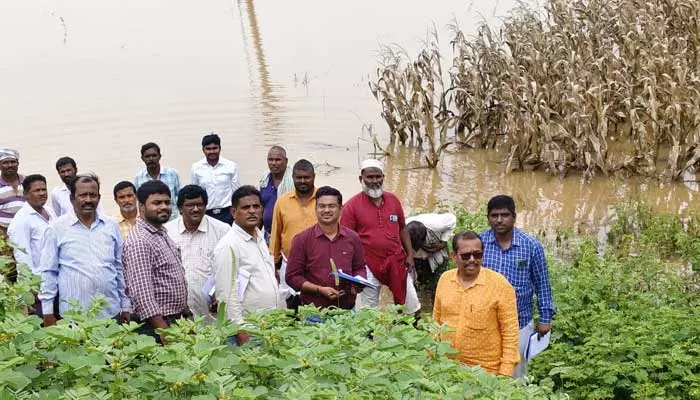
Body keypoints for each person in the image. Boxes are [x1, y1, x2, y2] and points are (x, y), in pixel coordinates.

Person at [38, 174, 131, 325]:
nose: (88, 200)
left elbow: (119, 267)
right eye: (82, 195)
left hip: (110, 314)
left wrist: (125, 305)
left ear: (99, 198)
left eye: (92, 195)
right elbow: (48, 271)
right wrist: (47, 312)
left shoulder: (111, 226)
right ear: (72, 198)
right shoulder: (56, 228)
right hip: (74, 317)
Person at [480, 195, 555, 378]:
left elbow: (542, 283)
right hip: (485, 320)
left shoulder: (531, 246)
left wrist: (545, 318)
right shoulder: (479, 243)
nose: (499, 220)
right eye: (494, 215)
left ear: (514, 216)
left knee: (515, 371)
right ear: (488, 218)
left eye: (504, 215)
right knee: (485, 370)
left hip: (519, 321)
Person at [432, 231, 520, 376]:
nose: (472, 259)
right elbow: (436, 323)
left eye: (477, 254)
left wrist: (505, 373)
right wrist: (430, 358)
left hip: (486, 373)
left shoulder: (500, 285)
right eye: (466, 255)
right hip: (446, 369)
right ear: (454, 256)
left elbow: (510, 333)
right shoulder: (445, 280)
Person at [341, 159, 420, 315]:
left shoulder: (393, 200)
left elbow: (403, 229)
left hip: (396, 260)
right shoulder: (351, 206)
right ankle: (368, 339)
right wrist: (352, 273)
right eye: (370, 177)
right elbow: (346, 241)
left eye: (378, 177)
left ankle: (410, 336)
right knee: (368, 312)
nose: (374, 181)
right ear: (361, 179)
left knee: (411, 305)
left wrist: (410, 255)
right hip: (367, 264)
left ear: (383, 177)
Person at [123, 180, 191, 343]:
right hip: (156, 326)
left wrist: (185, 311)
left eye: (167, 202)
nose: (164, 207)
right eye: (156, 203)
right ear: (142, 207)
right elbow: (142, 294)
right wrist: (163, 332)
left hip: (174, 320)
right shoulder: (140, 240)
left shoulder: (159, 232)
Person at [214, 185, 283, 343]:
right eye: (245, 207)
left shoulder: (259, 237)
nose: (252, 211)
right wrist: (240, 329)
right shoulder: (229, 245)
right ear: (233, 212)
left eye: (256, 206)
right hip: (248, 330)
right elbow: (226, 294)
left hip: (268, 325)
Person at [286, 186, 367, 310]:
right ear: (316, 209)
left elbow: (359, 268)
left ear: (340, 209)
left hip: (347, 312)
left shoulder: (353, 238)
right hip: (314, 313)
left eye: (331, 206)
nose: (326, 210)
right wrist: (319, 290)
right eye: (322, 206)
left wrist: (358, 283)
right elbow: (292, 277)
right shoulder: (302, 239)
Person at [165, 185, 230, 322]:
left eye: (199, 204)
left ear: (206, 206)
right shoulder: (167, 232)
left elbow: (232, 268)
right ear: (180, 209)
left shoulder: (222, 230)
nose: (195, 209)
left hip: (214, 311)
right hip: (178, 312)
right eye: (190, 205)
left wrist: (221, 296)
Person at [269, 159, 318, 305]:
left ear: (314, 177)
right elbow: (276, 233)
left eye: (307, 177)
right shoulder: (282, 202)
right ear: (293, 178)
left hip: (318, 264)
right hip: (289, 264)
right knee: (292, 307)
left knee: (318, 306)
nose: (303, 181)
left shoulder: (324, 200)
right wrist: (273, 264)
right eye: (298, 178)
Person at [8, 175, 57, 273]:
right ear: (25, 194)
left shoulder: (50, 211)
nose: (42, 193)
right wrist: (32, 285)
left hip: (54, 276)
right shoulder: (21, 220)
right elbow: (22, 257)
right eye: (37, 190)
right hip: (37, 281)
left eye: (44, 189)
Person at [189, 133, 240, 225]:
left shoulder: (231, 166)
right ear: (203, 150)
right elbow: (194, 194)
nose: (212, 151)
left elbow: (236, 192)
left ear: (220, 148)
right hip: (206, 214)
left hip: (227, 213)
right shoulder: (196, 168)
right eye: (208, 149)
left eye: (215, 148)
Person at [134, 142, 181, 221]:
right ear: (142, 158)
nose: (151, 159)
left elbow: (180, 197)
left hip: (172, 220)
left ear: (159, 156)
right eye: (147, 156)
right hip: (151, 222)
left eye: (154, 155)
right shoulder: (139, 178)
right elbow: (140, 203)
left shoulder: (172, 173)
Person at [259, 146, 294, 242]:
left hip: (288, 234)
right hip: (268, 234)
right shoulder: (264, 179)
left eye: (278, 160)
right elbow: (261, 207)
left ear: (286, 161)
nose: (273, 163)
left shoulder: (294, 180)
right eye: (270, 160)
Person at [0, 149, 24, 234]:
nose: (10, 165)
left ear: (18, 163)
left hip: (26, 233)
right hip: (4, 237)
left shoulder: (27, 182)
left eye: (13, 162)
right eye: (5, 162)